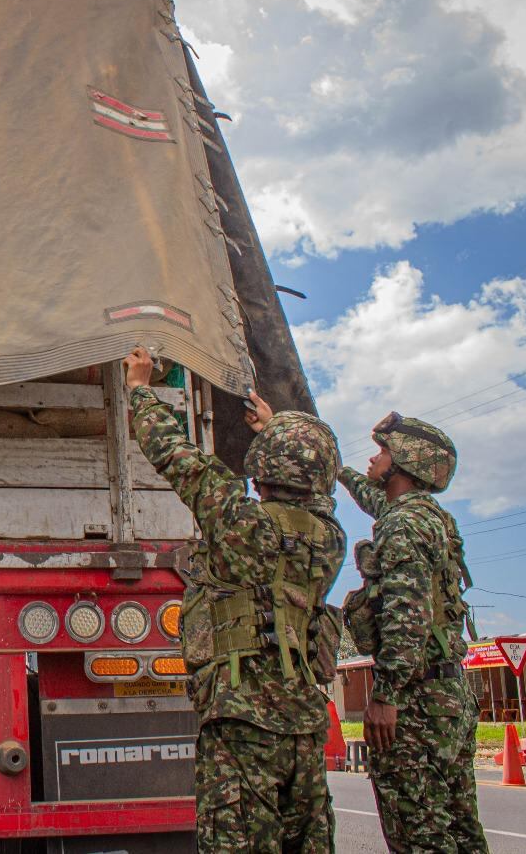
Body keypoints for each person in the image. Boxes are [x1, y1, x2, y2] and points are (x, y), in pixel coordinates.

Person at [123, 347, 345, 852]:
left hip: (243, 721)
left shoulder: (242, 525)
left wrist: (140, 388)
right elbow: (314, 488)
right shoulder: (330, 539)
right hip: (305, 725)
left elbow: (178, 456)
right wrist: (276, 432)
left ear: (264, 468)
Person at [340, 413, 487, 853]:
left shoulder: (401, 526)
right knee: (460, 827)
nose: (373, 458)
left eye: (383, 452)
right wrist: (336, 469)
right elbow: (371, 495)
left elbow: (408, 617)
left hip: (415, 702)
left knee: (420, 834)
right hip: (447, 694)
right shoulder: (428, 517)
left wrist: (386, 697)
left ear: (405, 463)